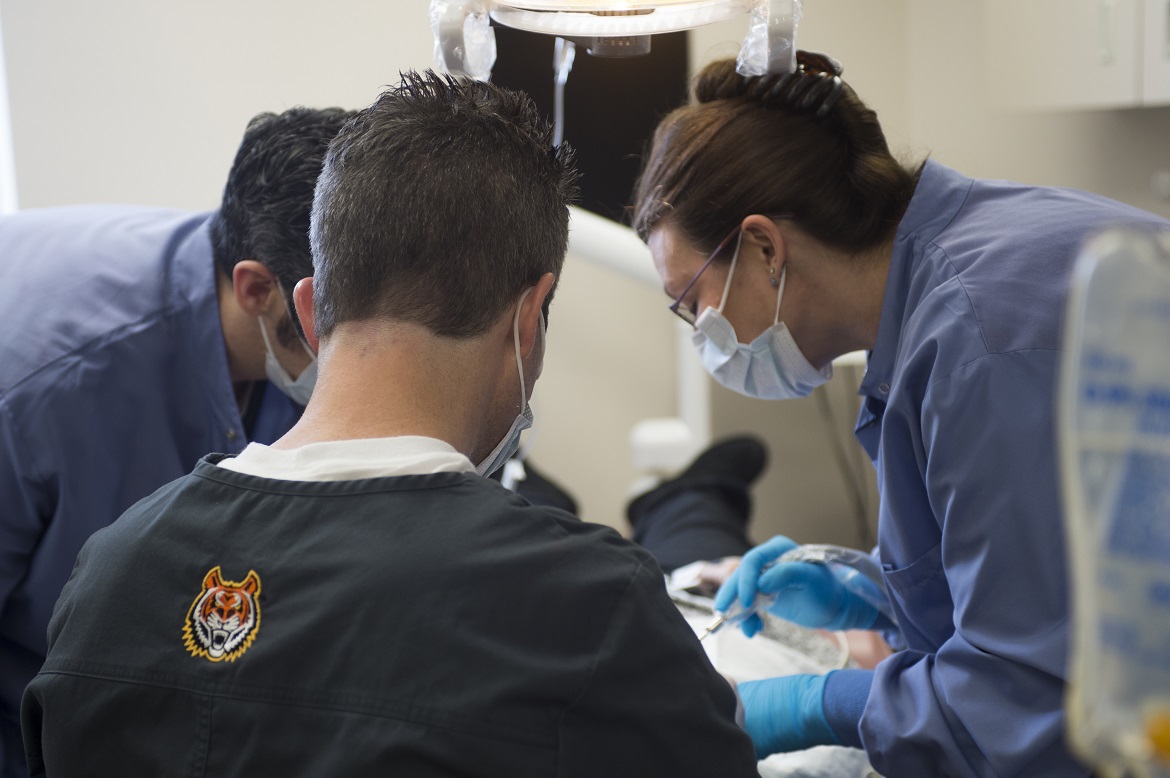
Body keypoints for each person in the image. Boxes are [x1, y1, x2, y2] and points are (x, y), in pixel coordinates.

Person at [20, 71, 758, 777]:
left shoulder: (106, 573)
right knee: (672, 526)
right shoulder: (594, 607)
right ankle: (694, 499)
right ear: (529, 319)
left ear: (308, 312)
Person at [631, 50, 1170, 776]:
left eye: (693, 301)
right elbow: (1037, 581)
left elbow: (1029, 705)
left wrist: (812, 705)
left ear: (763, 246)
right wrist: (872, 591)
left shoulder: (981, 340)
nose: (700, 330)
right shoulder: (940, 287)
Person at [0, 106, 353, 778]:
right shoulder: (45, 390)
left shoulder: (270, 325)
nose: (363, 351)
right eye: (335, 319)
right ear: (256, 288)